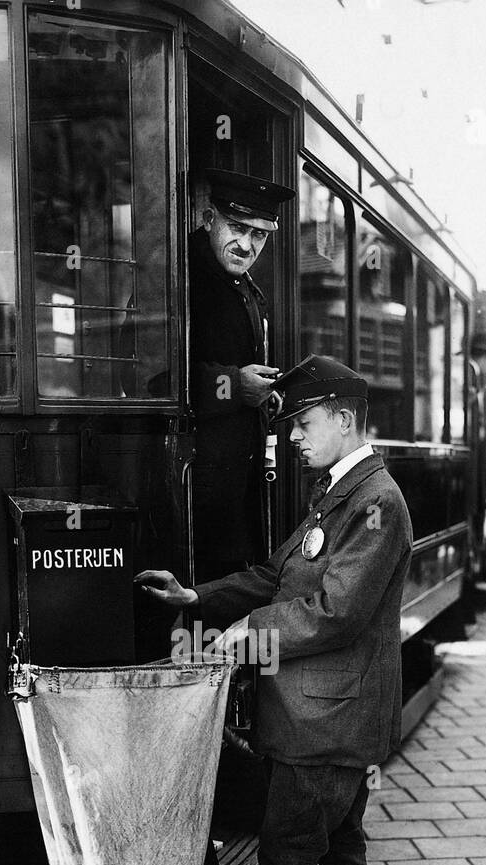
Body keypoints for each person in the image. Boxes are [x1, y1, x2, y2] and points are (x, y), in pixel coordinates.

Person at [136, 355, 413, 865]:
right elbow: (275, 576)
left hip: (324, 720)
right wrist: (196, 598)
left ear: (343, 419)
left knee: (289, 863)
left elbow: (334, 612)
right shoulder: (337, 494)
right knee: (341, 850)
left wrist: (246, 635)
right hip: (332, 716)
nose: (291, 437)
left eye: (303, 422)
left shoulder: (374, 502)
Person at [188, 170, 295, 582]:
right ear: (209, 217)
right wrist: (236, 386)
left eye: (260, 235)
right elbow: (150, 378)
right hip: (196, 493)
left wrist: (262, 393)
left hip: (233, 491)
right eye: (237, 228)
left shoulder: (242, 284)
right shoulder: (178, 276)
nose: (247, 245)